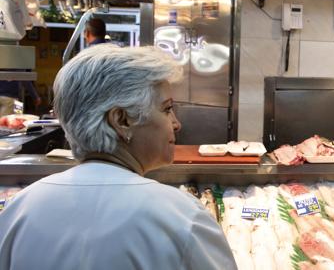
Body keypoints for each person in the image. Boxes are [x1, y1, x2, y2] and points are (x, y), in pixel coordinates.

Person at [0, 45, 236, 269]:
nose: (176, 124)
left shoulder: (19, 211)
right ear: (122, 120)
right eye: (166, 109)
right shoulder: (182, 217)